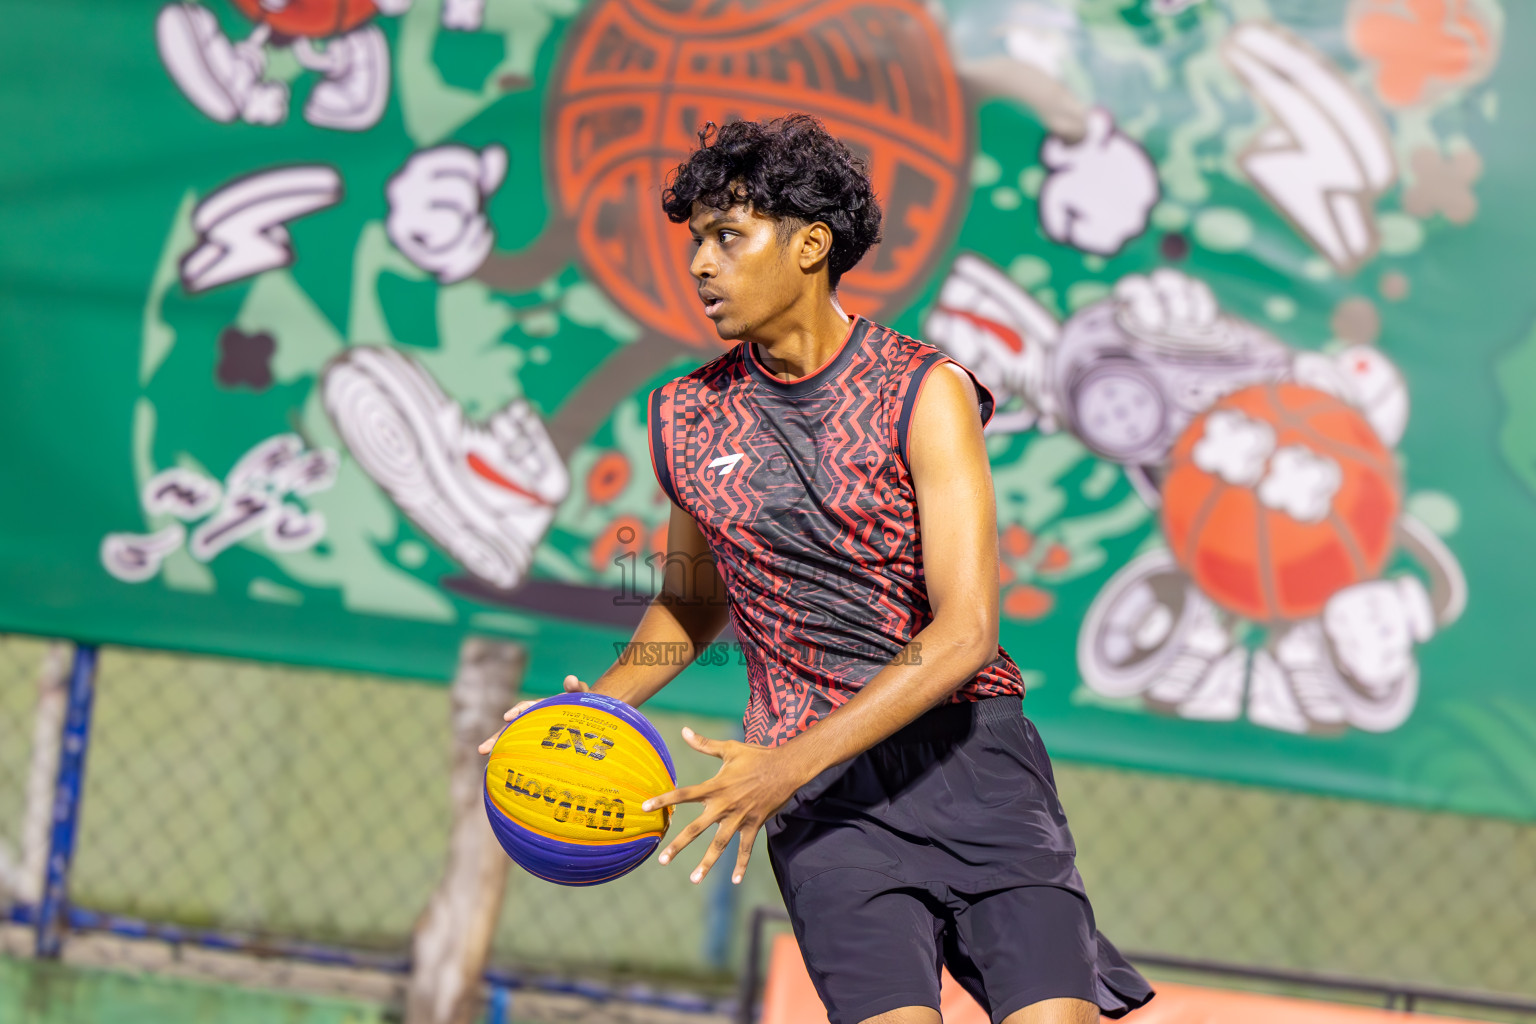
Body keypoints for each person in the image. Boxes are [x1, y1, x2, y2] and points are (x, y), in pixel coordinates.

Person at [480, 114, 1153, 1024]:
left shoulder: (925, 390)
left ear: (809, 245)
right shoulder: (686, 415)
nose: (700, 265)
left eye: (728, 236)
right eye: (696, 241)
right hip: (830, 811)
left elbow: (963, 634)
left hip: (971, 762)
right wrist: (590, 711)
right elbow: (688, 607)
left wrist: (779, 767)